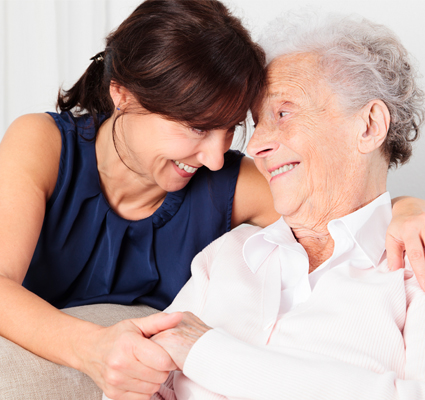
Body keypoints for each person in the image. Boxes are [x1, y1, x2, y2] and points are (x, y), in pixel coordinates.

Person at [0, 1, 424, 398]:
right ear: (122, 95)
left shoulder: (226, 185)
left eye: (232, 127)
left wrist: (408, 208)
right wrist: (92, 347)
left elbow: (343, 195)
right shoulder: (47, 145)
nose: (219, 158)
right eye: (198, 126)